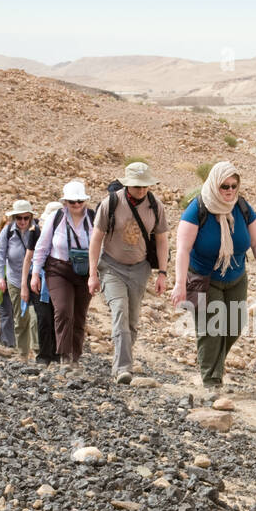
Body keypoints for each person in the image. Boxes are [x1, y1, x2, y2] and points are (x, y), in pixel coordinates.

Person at [170, 162, 256, 391]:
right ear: (214, 184)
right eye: (224, 186)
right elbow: (183, 249)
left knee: (235, 326)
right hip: (203, 278)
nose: (229, 190)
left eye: (234, 186)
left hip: (236, 276)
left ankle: (213, 365)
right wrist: (179, 284)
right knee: (211, 330)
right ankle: (211, 383)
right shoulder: (197, 209)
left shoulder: (242, 207)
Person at [87, 162, 168, 384]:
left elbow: (161, 240)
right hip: (112, 267)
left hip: (140, 269)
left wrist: (163, 273)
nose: (141, 190)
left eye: (145, 186)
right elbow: (96, 238)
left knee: (132, 321)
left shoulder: (155, 205)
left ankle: (121, 361)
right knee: (120, 311)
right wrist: (92, 273)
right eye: (136, 186)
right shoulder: (111, 203)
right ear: (127, 184)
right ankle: (124, 367)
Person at [31, 183, 93, 363]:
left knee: (79, 315)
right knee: (64, 310)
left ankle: (75, 357)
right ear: (65, 202)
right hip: (59, 270)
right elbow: (42, 247)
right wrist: (35, 274)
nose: (76, 204)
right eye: (72, 201)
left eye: (80, 200)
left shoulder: (93, 218)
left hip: (85, 271)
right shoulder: (55, 218)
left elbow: (101, 246)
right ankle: (64, 356)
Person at [0, 201, 39, 357]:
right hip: (15, 280)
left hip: (35, 280)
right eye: (19, 218)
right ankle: (23, 354)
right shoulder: (7, 232)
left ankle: (40, 353)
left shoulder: (37, 230)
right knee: (21, 318)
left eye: (26, 218)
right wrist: (0, 277)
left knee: (36, 317)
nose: (23, 221)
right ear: (14, 218)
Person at [24, 201, 60, 364]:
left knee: (57, 316)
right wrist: (25, 283)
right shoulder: (36, 232)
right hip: (39, 278)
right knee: (44, 317)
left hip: (59, 278)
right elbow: (28, 258)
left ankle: (57, 353)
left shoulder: (68, 234)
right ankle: (45, 354)